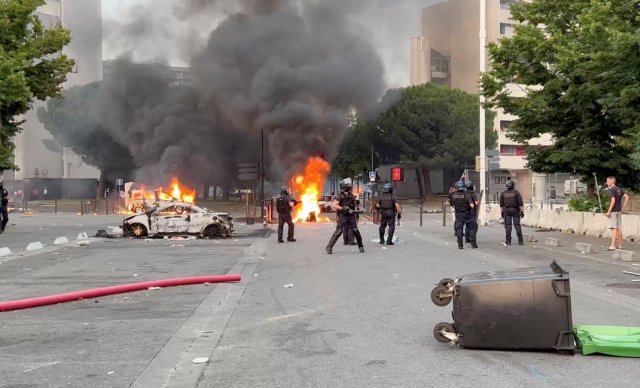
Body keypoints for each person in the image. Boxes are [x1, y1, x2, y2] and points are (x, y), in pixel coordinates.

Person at [326, 182, 364, 254]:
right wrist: (343, 208)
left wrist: (358, 212)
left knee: (356, 231)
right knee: (339, 231)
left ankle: (361, 246)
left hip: (351, 215)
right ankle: (329, 247)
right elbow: (334, 205)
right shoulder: (340, 196)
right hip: (343, 215)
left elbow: (354, 205)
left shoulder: (351, 196)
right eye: (349, 187)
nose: (350, 188)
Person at [605, 176, 629, 251]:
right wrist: (623, 207)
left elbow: (613, 200)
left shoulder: (611, 190)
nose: (607, 182)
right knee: (619, 228)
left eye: (608, 181)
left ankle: (612, 245)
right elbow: (627, 197)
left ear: (612, 181)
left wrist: (609, 211)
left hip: (614, 211)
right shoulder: (619, 189)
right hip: (619, 210)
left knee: (613, 228)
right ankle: (620, 245)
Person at [450, 181, 476, 249]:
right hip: (468, 213)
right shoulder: (467, 195)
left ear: (457, 188)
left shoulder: (453, 196)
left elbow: (453, 205)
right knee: (471, 228)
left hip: (458, 214)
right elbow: (472, 206)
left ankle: (460, 244)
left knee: (459, 228)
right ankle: (473, 244)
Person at [500, 180, 524, 245]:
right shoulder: (516, 193)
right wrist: (522, 212)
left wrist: (502, 213)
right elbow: (520, 204)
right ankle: (520, 240)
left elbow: (501, 206)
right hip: (515, 210)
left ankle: (508, 241)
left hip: (507, 211)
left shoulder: (503, 194)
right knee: (517, 225)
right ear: (513, 185)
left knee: (508, 226)